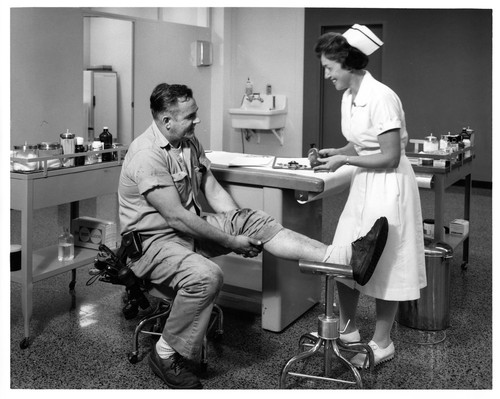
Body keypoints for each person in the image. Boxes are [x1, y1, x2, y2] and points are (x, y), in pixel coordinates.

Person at [118, 82, 389, 389]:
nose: (198, 121)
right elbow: (176, 217)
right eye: (191, 116)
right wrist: (230, 241)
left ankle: (344, 257)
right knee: (206, 276)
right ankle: (164, 353)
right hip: (153, 244)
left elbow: (211, 187)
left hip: (186, 230)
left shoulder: (187, 143)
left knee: (254, 219)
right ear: (166, 120)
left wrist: (238, 223)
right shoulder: (146, 154)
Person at [313, 25, 426, 368]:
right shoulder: (348, 95)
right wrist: (339, 150)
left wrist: (345, 159)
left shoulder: (381, 97)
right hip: (364, 182)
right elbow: (362, 142)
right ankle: (347, 329)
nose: (327, 75)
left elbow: (390, 155)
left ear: (348, 63)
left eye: (330, 68)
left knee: (383, 260)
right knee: (347, 254)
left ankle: (382, 342)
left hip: (389, 185)